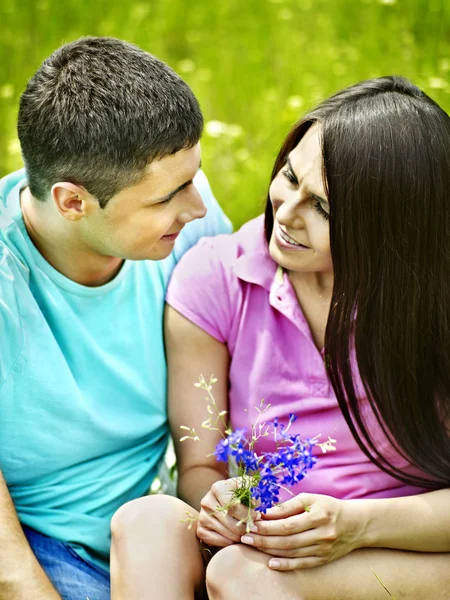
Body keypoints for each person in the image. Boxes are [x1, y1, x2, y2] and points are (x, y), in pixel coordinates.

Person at [110, 76, 450, 599]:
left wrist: (357, 524)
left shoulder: (433, 305)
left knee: (242, 576)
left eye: (324, 208)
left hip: (401, 550)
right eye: (290, 177)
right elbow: (200, 465)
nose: (286, 214)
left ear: (391, 224)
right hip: (266, 551)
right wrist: (224, 505)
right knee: (147, 521)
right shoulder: (217, 277)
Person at [0, 36, 231, 600]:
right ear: (72, 201)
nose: (198, 207)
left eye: (194, 178)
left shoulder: (189, 232)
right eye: (167, 196)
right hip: (44, 543)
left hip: (166, 522)